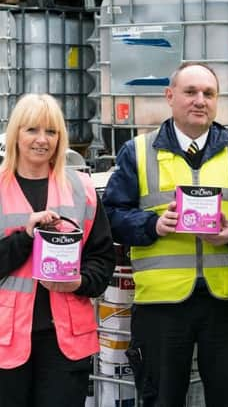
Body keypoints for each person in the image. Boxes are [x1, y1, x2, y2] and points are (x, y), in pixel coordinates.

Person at [102, 62, 228, 407]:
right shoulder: (138, 152)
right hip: (162, 304)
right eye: (190, 92)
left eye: (209, 93)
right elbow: (111, 216)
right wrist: (151, 226)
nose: (200, 100)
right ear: (170, 97)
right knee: (161, 398)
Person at [0, 93, 115, 407]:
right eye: (32, 130)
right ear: (15, 134)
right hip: (6, 343)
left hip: (65, 343)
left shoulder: (83, 189)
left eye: (51, 132)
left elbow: (102, 258)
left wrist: (80, 282)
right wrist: (25, 237)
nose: (42, 140)